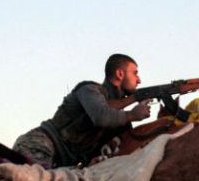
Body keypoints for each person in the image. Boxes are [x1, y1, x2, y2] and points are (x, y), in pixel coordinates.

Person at [12, 53, 153, 169]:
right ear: (120, 74)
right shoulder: (89, 89)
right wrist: (132, 114)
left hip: (63, 164)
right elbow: (101, 116)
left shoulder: (118, 123)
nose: (139, 79)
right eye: (135, 73)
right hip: (40, 145)